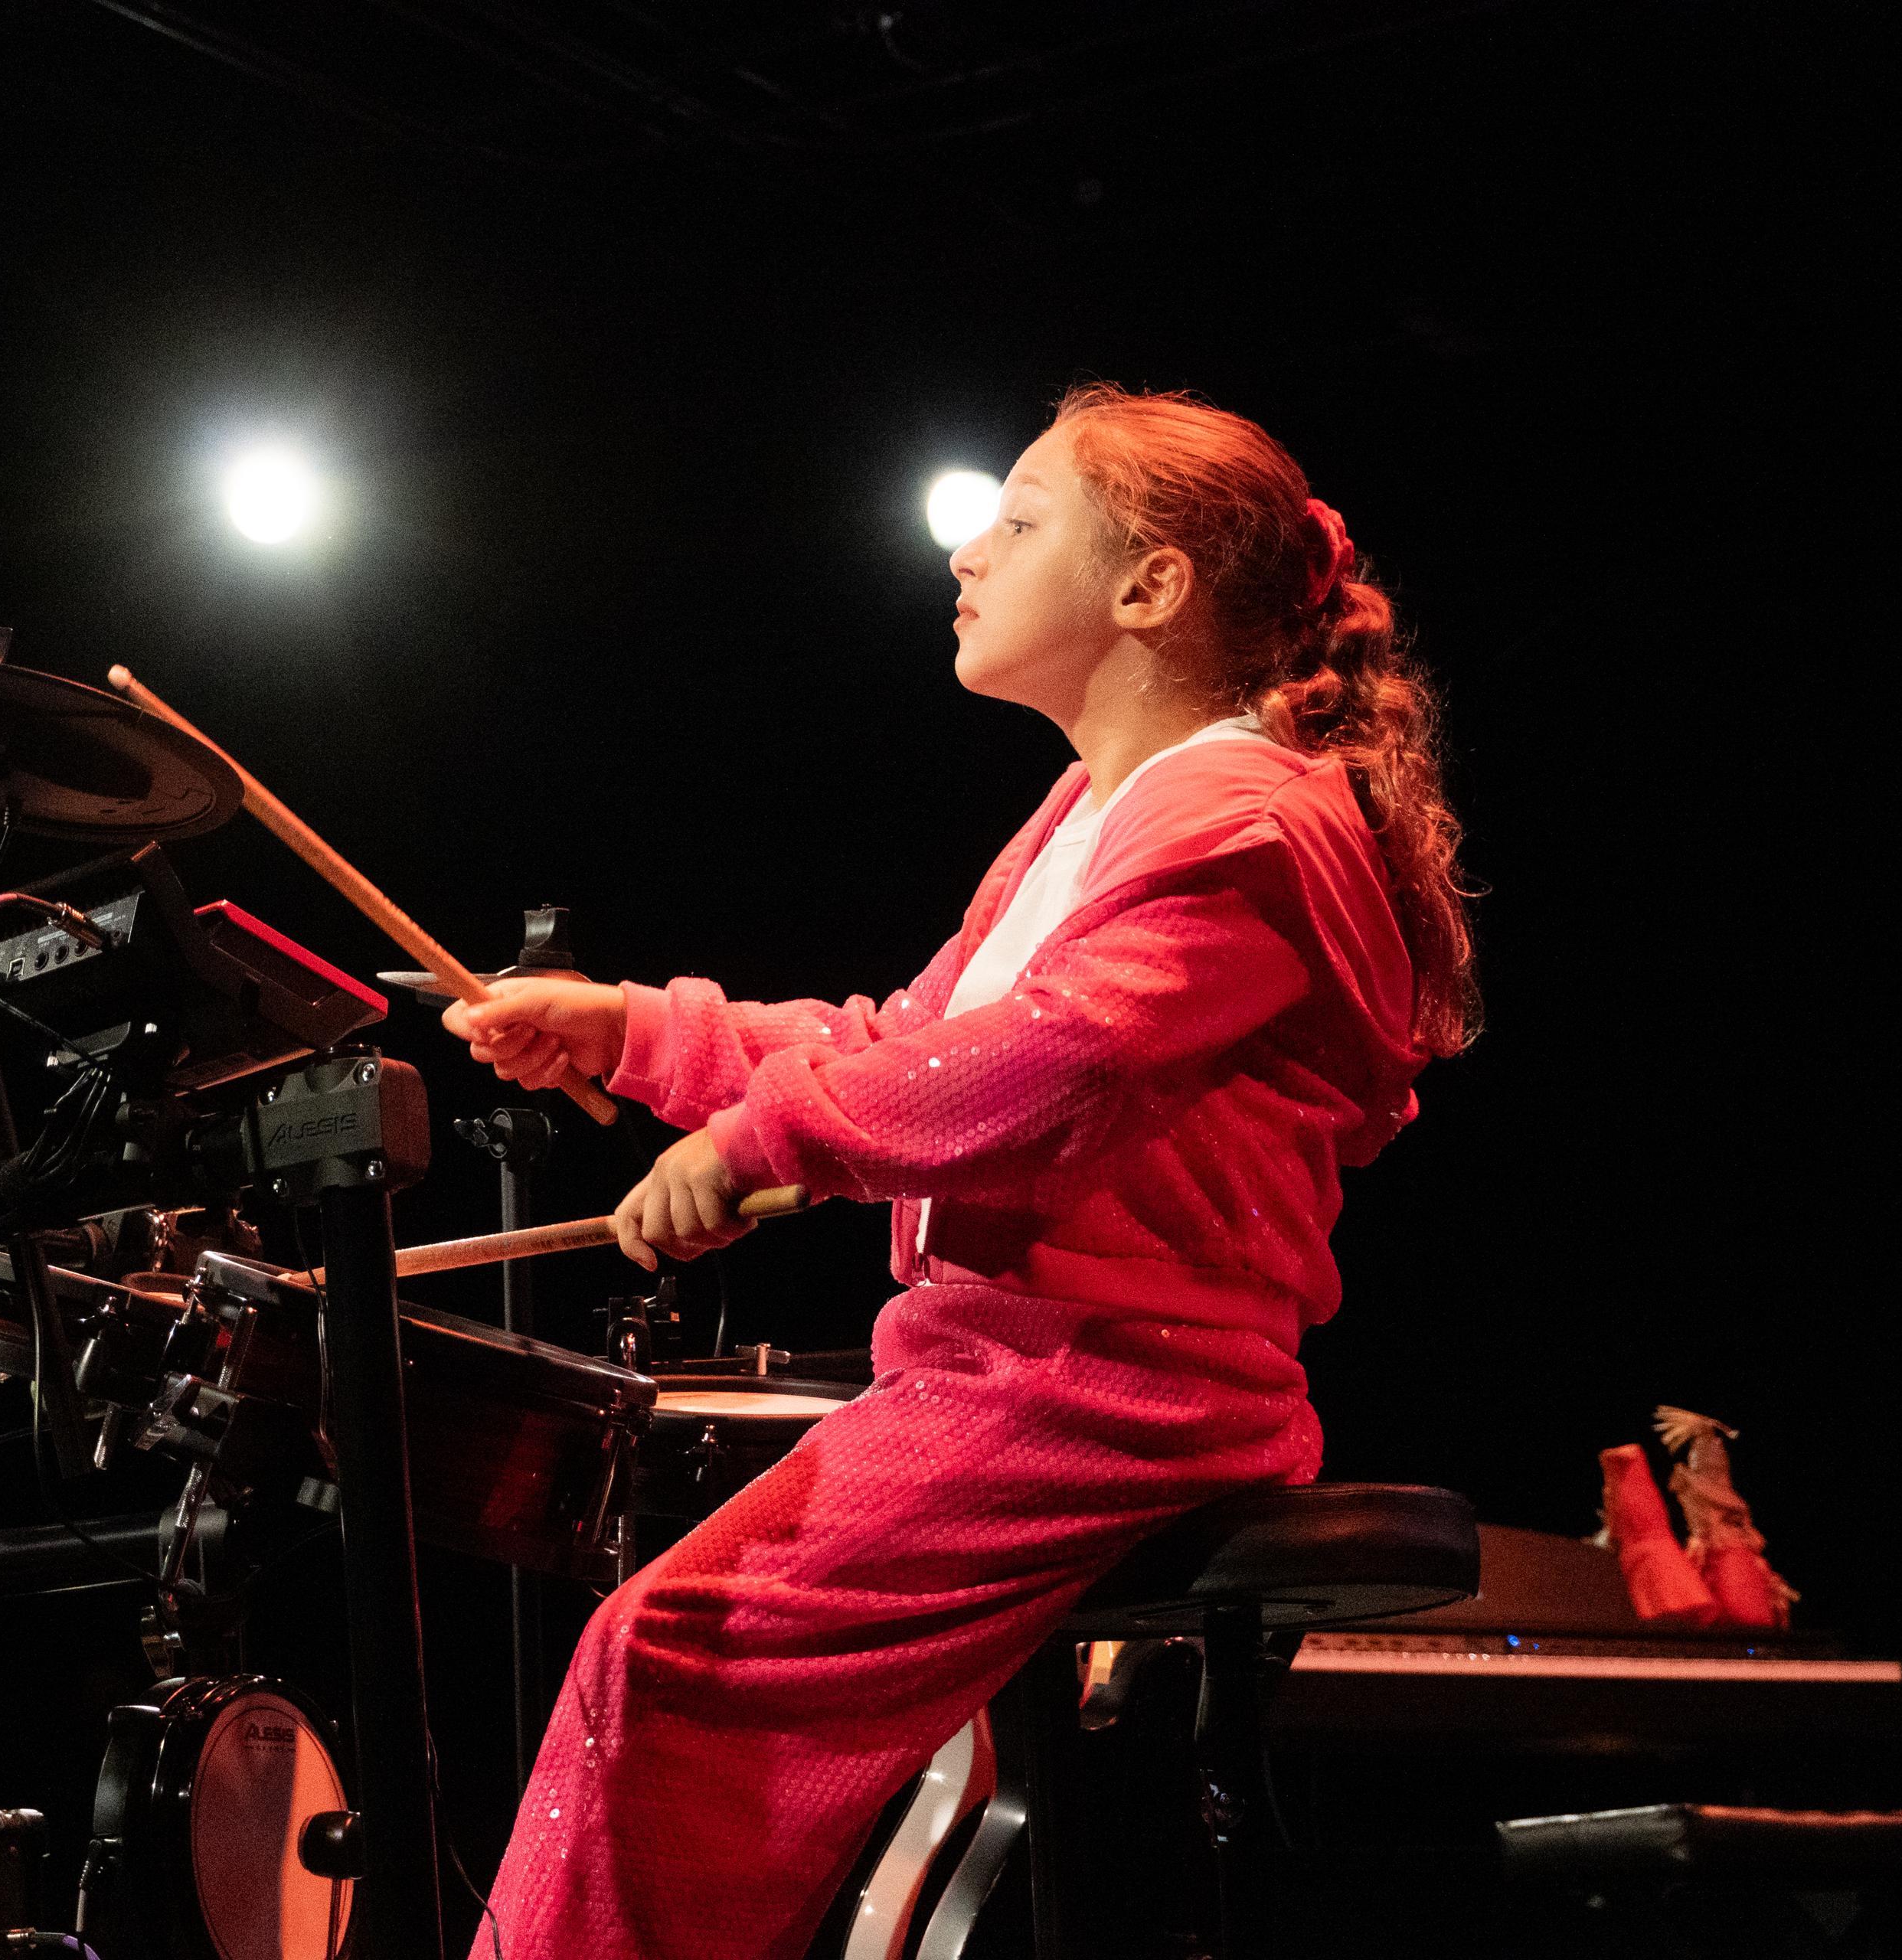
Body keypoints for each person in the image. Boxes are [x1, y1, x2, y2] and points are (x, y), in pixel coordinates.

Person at [443, 381, 1477, 1958]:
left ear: (1150, 587)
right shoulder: (1098, 809)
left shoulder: (1249, 826)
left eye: (1018, 521)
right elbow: (915, 1038)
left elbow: (1059, 1057)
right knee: (660, 1653)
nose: (966, 554)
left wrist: (759, 1139)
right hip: (1014, 1374)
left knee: (667, 1663)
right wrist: (637, 1031)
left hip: (1108, 1389)